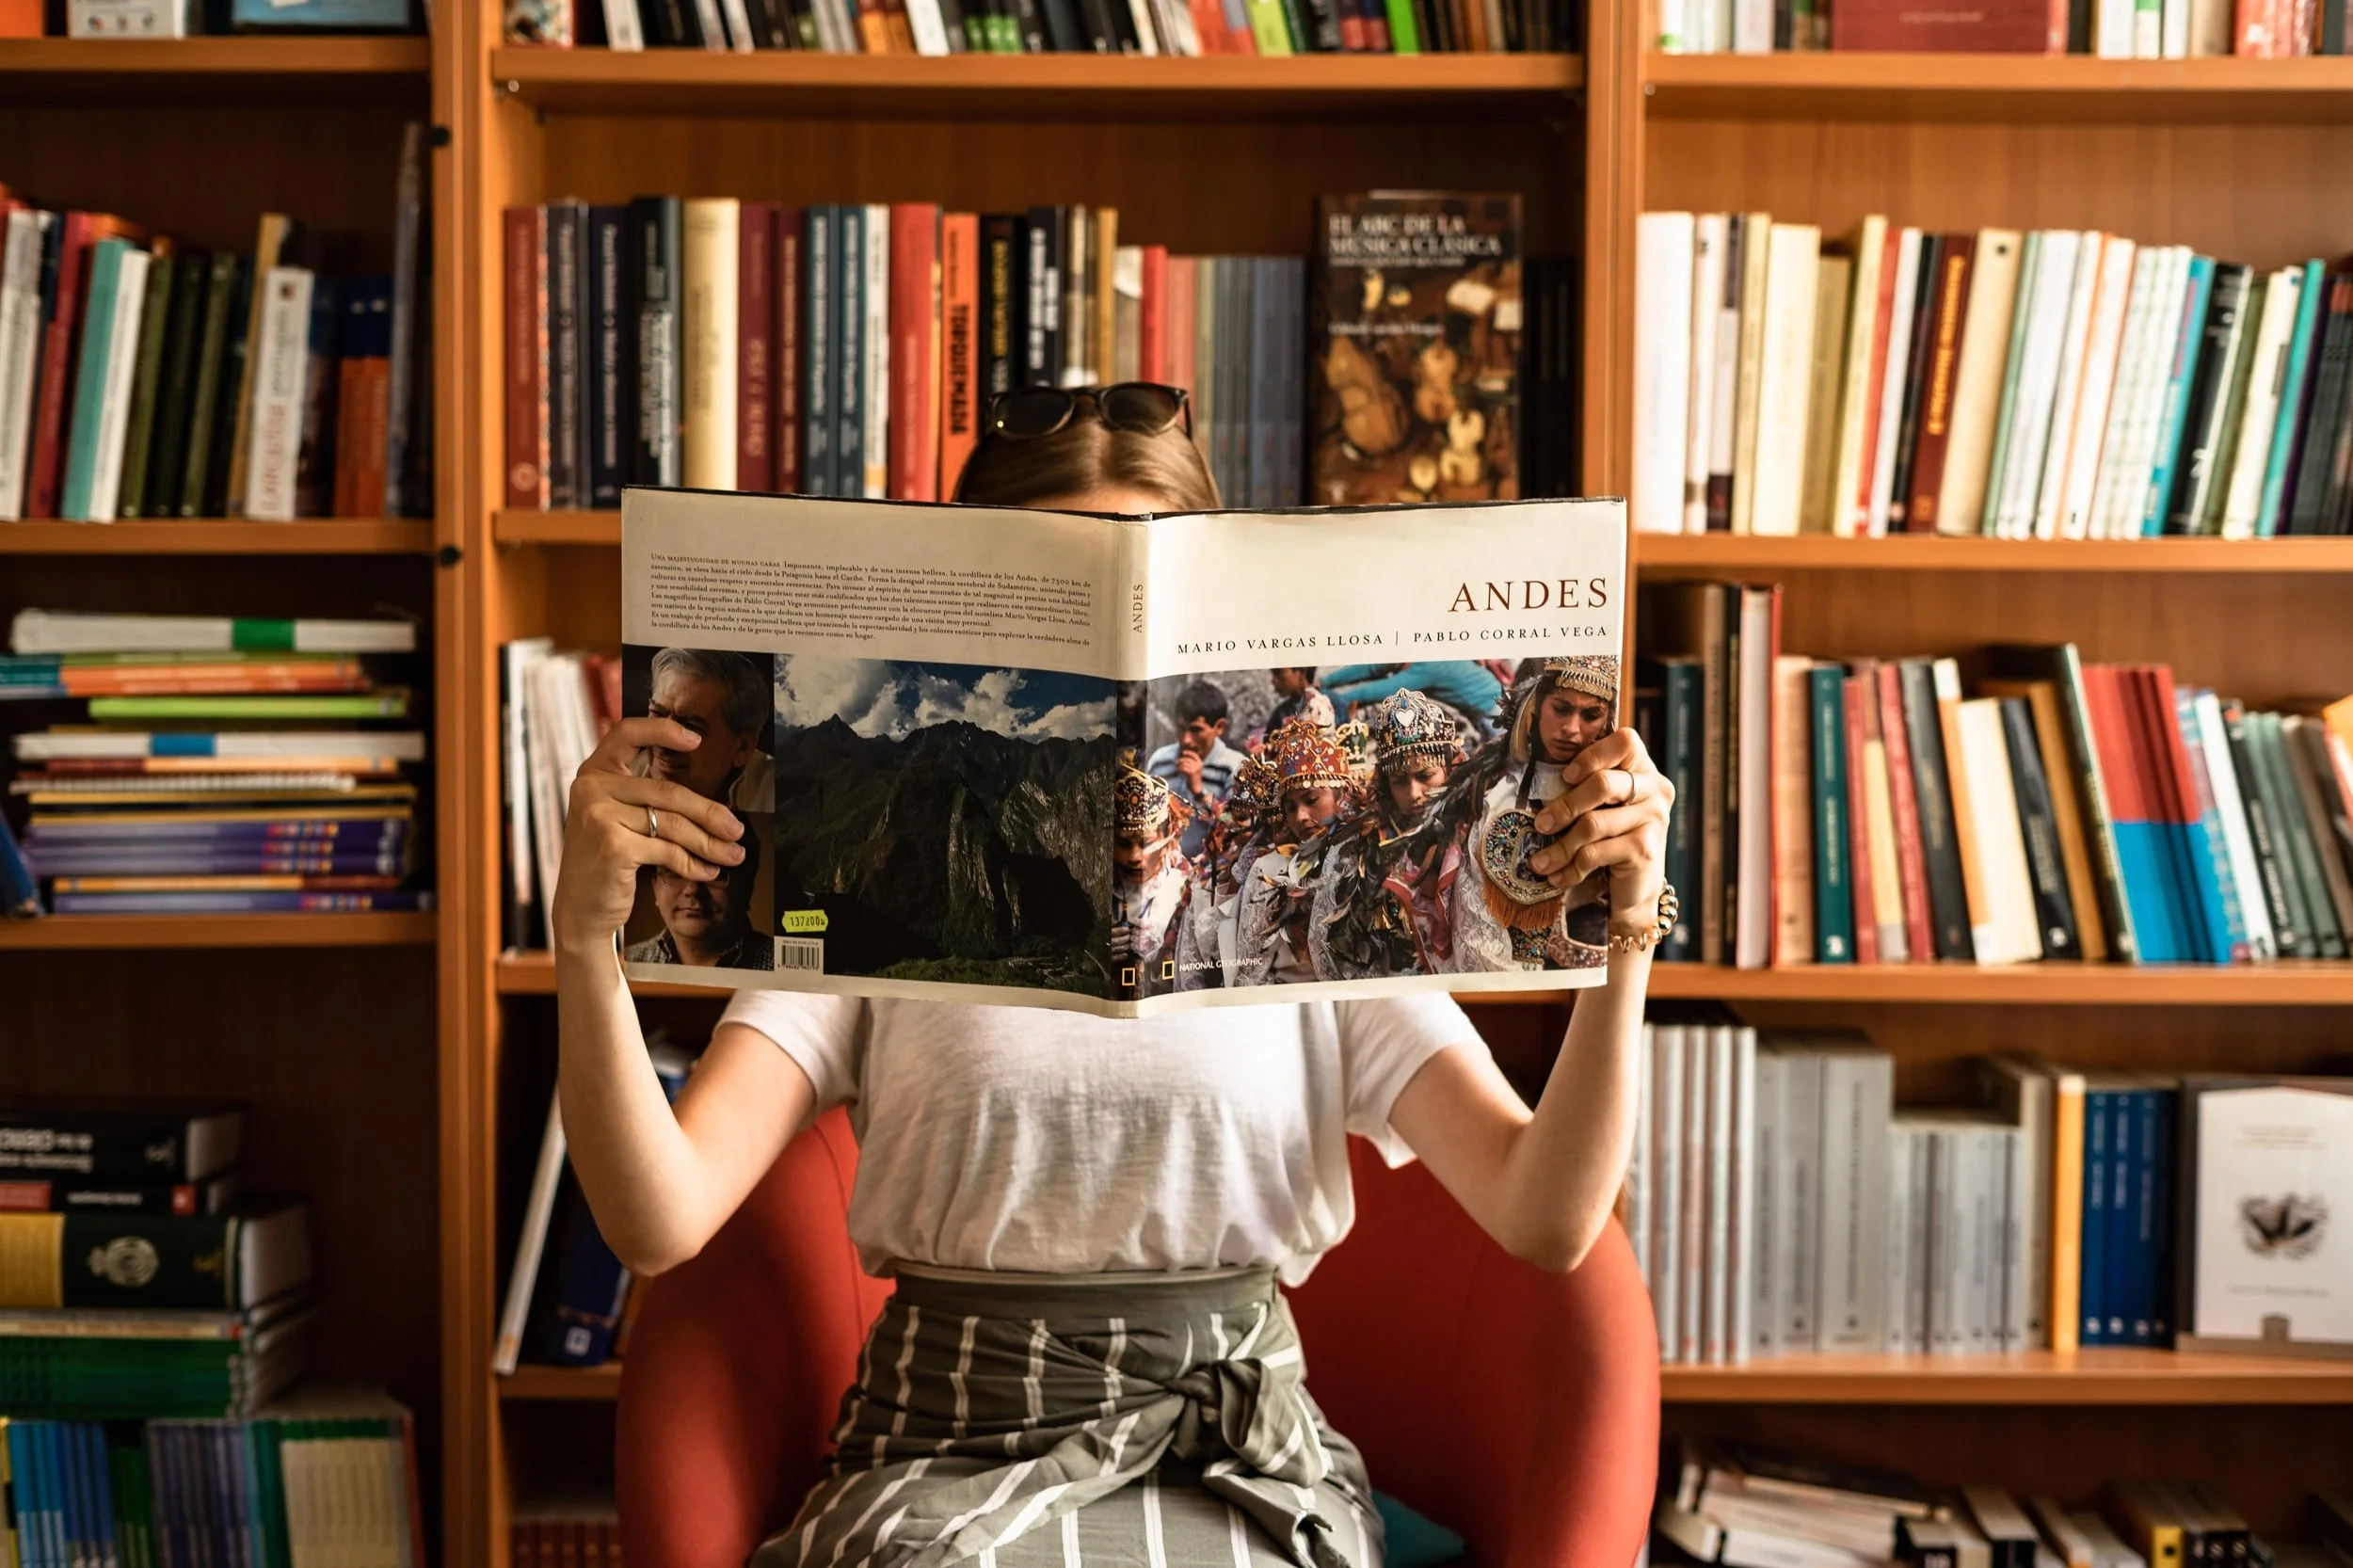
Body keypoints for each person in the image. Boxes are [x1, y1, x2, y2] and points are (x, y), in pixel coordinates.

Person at [551, 380, 1674, 1568]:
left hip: (1240, 1457)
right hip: (942, 1454)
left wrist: (1626, 938)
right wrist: (584, 945)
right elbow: (658, 1218)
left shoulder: (1315, 929)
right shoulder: (866, 914)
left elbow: (1549, 1222)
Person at [1447, 654, 1627, 973]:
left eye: (1591, 715)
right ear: (1534, 704)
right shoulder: (1489, 790)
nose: (1571, 729)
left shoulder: (1616, 797)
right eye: (1561, 709)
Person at [1308, 689, 1466, 982]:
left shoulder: (1471, 833)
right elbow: (1330, 948)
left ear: (1450, 768)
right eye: (1399, 781)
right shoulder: (1356, 847)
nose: (1414, 794)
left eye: (1425, 776)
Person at [1229, 717, 1358, 987]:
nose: (1300, 817)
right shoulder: (1269, 869)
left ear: (1342, 794)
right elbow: (1251, 974)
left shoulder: (1365, 858)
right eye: (1289, 808)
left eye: (1311, 800)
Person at [637, 647, 776, 812]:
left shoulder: (773, 790)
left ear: (742, 747)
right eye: (657, 713)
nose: (664, 741)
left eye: (690, 726)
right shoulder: (629, 771)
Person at [624, 829, 773, 970]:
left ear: (746, 886)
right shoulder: (626, 961)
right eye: (675, 872)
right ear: (655, 885)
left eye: (715, 873)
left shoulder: (779, 967)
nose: (692, 890)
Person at [1111, 763, 1194, 998]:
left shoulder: (1191, 888)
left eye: (1146, 843)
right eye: (1124, 844)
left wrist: (1162, 954)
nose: (1135, 858)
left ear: (1168, 838)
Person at [1146, 678, 1245, 860]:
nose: (1186, 740)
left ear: (1219, 727)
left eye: (1196, 730)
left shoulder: (1235, 767)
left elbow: (1239, 826)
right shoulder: (1160, 761)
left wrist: (1199, 792)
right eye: (1180, 728)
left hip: (1211, 872)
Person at [1320, 660, 1504, 743]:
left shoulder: (1427, 666)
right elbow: (1372, 667)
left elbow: (1382, 690)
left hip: (1494, 709)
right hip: (1488, 703)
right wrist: (1324, 683)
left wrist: (1328, 700)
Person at [1260, 666, 1335, 744]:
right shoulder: (1279, 714)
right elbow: (1267, 745)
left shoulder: (1331, 702)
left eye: (1279, 672)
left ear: (1301, 672)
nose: (1273, 680)